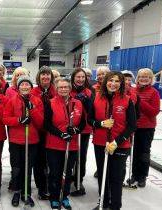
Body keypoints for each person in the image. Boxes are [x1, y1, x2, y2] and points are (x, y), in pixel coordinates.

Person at [88, 71, 136, 210]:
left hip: (120, 145)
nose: (113, 84)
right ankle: (103, 202)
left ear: (121, 84)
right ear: (105, 82)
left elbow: (132, 125)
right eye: (111, 80)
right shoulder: (96, 97)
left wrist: (117, 142)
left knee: (116, 177)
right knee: (103, 174)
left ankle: (115, 206)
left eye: (117, 81)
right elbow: (89, 120)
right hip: (100, 143)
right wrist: (101, 124)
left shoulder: (127, 100)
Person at [3, 75, 44, 207]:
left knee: (27, 168)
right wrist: (19, 120)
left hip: (31, 141)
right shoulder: (12, 100)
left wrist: (32, 109)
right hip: (16, 140)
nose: (25, 87)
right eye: (22, 84)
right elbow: (6, 119)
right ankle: (16, 191)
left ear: (31, 87)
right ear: (18, 87)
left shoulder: (37, 101)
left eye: (27, 84)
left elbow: (40, 122)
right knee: (16, 168)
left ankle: (26, 193)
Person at [44, 77, 84, 210]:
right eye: (60, 87)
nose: (63, 89)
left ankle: (64, 195)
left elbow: (83, 123)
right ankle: (54, 197)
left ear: (70, 88)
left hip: (71, 145)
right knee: (55, 172)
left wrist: (76, 130)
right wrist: (61, 134)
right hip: (54, 144)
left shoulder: (77, 103)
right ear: (56, 88)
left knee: (67, 172)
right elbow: (47, 124)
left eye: (66, 87)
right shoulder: (50, 103)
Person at [130, 68, 160, 188]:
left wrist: (139, 101)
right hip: (133, 126)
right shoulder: (133, 90)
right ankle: (134, 174)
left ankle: (142, 176)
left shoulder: (153, 92)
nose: (143, 79)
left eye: (146, 77)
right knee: (134, 152)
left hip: (146, 128)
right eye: (141, 76)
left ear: (151, 79)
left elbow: (154, 112)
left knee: (143, 152)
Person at [30, 66, 56, 200]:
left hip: (53, 131)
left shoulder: (56, 91)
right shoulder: (33, 92)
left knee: (52, 161)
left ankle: (52, 185)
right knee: (39, 161)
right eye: (43, 74)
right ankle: (41, 187)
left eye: (48, 74)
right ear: (38, 77)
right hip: (38, 131)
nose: (45, 77)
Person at [69, 68, 94, 196]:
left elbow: (92, 111)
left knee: (81, 156)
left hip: (84, 130)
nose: (80, 79)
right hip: (71, 128)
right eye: (78, 77)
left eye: (83, 77)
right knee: (71, 155)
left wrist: (87, 102)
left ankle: (79, 180)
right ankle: (69, 177)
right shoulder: (68, 90)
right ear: (73, 78)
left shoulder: (89, 92)